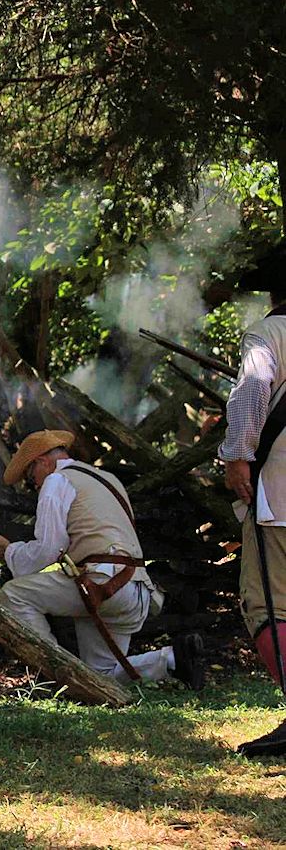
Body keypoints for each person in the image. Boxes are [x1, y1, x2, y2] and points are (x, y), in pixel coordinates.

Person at [0, 430, 204, 687]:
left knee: (14, 594)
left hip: (101, 584)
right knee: (100, 676)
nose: (33, 484)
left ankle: (56, 672)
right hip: (136, 589)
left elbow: (49, 548)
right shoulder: (107, 479)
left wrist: (9, 552)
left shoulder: (56, 481)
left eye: (30, 476)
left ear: (42, 461)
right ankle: (173, 659)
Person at [219, 256, 286, 756]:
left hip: (282, 494)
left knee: (268, 603)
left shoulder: (269, 334)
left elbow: (253, 389)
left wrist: (239, 455)